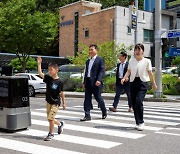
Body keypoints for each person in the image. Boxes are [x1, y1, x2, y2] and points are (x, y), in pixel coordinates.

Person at [121, 43, 157, 131]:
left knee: (138, 101)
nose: (137, 52)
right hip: (133, 82)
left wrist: (153, 83)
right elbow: (129, 71)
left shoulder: (147, 61)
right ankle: (137, 122)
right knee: (133, 103)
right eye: (135, 50)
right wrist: (124, 77)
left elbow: (150, 73)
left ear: (143, 51)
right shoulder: (131, 60)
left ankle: (141, 122)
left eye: (139, 50)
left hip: (142, 83)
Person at [37, 56, 66, 141]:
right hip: (48, 102)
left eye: (51, 69)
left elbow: (62, 93)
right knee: (50, 119)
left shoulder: (59, 81)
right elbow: (40, 74)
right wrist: (39, 64)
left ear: (56, 70)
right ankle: (60, 124)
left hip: (55, 103)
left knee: (50, 118)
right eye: (49, 70)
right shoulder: (48, 79)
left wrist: (64, 103)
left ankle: (51, 134)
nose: (49, 71)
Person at [80, 44, 107, 121]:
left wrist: (99, 80)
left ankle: (104, 111)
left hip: (96, 82)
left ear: (96, 50)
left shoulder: (100, 60)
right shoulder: (88, 61)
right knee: (87, 99)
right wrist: (84, 81)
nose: (90, 51)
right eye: (90, 50)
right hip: (88, 82)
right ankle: (87, 115)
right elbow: (86, 72)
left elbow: (101, 71)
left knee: (98, 98)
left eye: (92, 49)